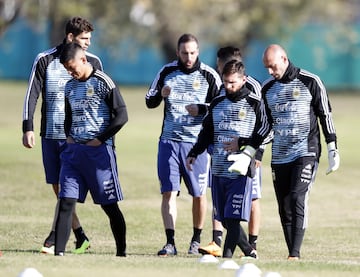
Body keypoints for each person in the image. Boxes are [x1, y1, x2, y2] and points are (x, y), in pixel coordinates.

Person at [22, 16, 103, 255]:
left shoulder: (93, 62)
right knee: (58, 187)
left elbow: (101, 102)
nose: (88, 43)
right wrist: (27, 127)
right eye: (84, 38)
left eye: (90, 39)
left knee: (69, 188)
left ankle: (55, 236)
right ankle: (80, 236)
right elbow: (31, 95)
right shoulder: (44, 60)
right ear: (70, 37)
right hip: (50, 134)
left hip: (78, 138)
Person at [145, 33, 222, 256]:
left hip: (196, 145)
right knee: (169, 192)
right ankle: (170, 242)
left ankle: (196, 240)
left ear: (198, 52)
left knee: (199, 194)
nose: (189, 57)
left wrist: (202, 109)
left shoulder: (209, 75)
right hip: (169, 142)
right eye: (184, 53)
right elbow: (149, 101)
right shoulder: (167, 72)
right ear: (178, 52)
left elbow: (220, 106)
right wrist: (161, 94)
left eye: (192, 53)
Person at [261, 44, 340, 260]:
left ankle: (295, 254)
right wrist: (253, 150)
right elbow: (266, 127)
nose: (270, 71)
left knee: (297, 197)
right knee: (284, 207)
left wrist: (332, 146)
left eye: (273, 66)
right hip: (279, 155)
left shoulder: (311, 81)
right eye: (266, 67)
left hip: (306, 151)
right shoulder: (267, 89)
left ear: (284, 59)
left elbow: (325, 115)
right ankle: (292, 256)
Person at [186, 60, 270, 259]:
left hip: (240, 171)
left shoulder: (255, 104)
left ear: (244, 80)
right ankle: (249, 251)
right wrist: (194, 152)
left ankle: (227, 259)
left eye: (233, 82)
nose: (228, 86)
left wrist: (242, 144)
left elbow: (266, 131)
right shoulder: (216, 103)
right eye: (226, 82)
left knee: (232, 220)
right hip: (218, 169)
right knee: (224, 219)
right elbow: (207, 132)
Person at [55, 42, 128, 256]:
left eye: (72, 68)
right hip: (73, 154)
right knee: (66, 201)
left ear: (83, 60)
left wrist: (100, 139)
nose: (71, 72)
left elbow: (122, 115)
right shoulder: (69, 86)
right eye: (67, 69)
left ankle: (121, 253)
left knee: (109, 207)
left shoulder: (103, 82)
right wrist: (69, 137)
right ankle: (58, 254)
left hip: (99, 155)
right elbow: (68, 117)